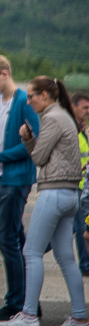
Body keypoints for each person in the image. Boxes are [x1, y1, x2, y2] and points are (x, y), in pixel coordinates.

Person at [0, 77, 86, 326]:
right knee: (66, 258)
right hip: (70, 194)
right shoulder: (64, 116)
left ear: (46, 95)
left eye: (32, 96)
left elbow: (38, 156)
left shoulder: (52, 117)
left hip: (54, 193)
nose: (29, 100)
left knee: (31, 253)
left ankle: (28, 315)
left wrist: (27, 138)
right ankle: (80, 318)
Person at [0, 55, 39, 321]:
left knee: (7, 240)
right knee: (16, 239)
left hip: (15, 179)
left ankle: (16, 302)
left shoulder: (25, 101)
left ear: (4, 74)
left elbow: (33, 143)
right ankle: (29, 302)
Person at [72, 92, 89, 275]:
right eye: (84, 107)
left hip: (85, 186)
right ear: (74, 107)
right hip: (78, 186)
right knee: (79, 227)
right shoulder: (72, 130)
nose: (88, 111)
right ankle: (85, 265)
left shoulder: (84, 129)